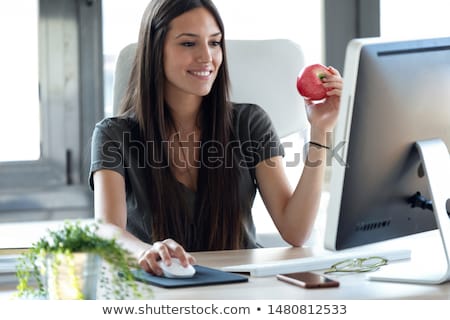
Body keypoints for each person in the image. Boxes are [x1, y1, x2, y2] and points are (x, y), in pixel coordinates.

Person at [89, 0, 342, 276]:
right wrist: (144, 251)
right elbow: (107, 230)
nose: (206, 57)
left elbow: (296, 231)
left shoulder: (249, 123)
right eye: (188, 44)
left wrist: (321, 130)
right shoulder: (113, 135)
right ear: (155, 50)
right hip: (163, 287)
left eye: (214, 43)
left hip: (243, 285)